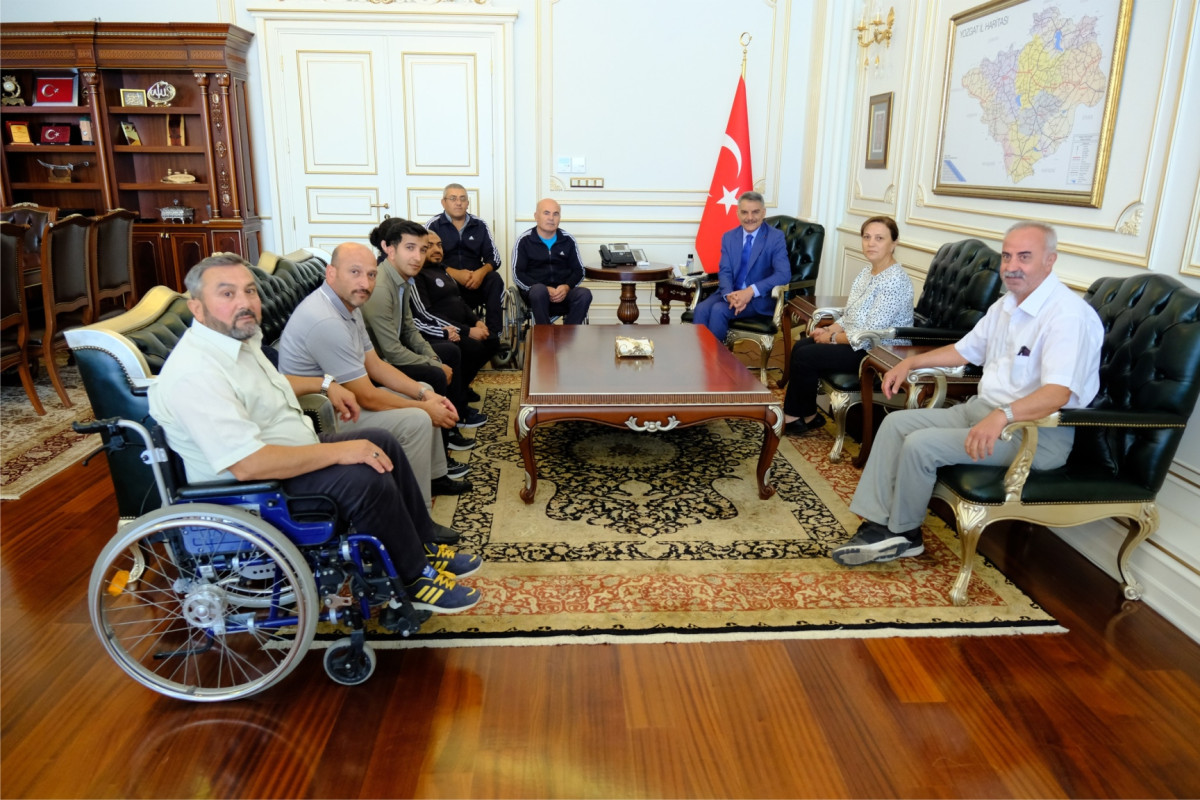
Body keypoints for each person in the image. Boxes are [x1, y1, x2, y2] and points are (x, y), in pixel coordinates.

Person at [147, 255, 482, 614]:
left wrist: (326, 384)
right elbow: (248, 465)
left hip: (287, 455)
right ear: (197, 307)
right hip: (257, 489)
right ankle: (410, 579)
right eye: (227, 294)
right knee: (365, 475)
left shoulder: (236, 342)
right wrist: (341, 452)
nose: (244, 302)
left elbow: (274, 384)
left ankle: (421, 546)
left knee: (382, 443)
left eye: (249, 291)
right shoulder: (196, 373)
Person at [834, 221, 1104, 566]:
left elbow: (1059, 393)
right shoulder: (1007, 304)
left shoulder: (1067, 316)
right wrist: (909, 365)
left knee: (921, 444)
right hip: (982, 410)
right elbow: (963, 350)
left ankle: (905, 535)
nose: (1011, 266)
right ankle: (876, 525)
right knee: (896, 425)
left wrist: (1002, 416)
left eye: (1024, 256)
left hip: (1033, 434)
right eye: (1007, 256)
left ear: (1050, 261)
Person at [277, 241, 472, 510]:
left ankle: (435, 477)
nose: (365, 283)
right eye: (355, 272)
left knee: (426, 385)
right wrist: (424, 407)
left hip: (344, 401)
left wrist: (425, 394)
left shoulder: (348, 306)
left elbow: (376, 365)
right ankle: (419, 513)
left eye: (371, 274)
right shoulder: (327, 321)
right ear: (331, 273)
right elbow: (367, 396)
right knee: (417, 419)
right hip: (322, 414)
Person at [782, 216, 913, 435]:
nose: (871, 243)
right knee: (802, 346)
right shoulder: (866, 272)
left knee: (807, 354)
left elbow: (870, 334)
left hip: (879, 351)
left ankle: (793, 416)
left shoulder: (895, 280)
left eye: (879, 238)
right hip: (858, 341)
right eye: (867, 237)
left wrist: (831, 339)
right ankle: (807, 415)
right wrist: (830, 329)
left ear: (894, 243)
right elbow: (851, 313)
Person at [363, 218, 483, 454]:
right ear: (389, 249)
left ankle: (453, 420)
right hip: (376, 366)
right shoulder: (380, 287)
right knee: (436, 373)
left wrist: (434, 358)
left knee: (448, 353)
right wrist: (434, 364)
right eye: (410, 248)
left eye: (422, 249)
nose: (418, 257)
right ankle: (442, 448)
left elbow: (409, 330)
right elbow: (391, 351)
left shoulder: (403, 280)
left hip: (391, 355)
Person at [411, 228, 499, 407]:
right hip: (441, 331)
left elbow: (459, 302)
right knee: (472, 347)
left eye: (440, 245)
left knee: (492, 341)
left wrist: (477, 321)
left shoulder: (443, 270)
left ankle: (462, 387)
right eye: (430, 246)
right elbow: (428, 314)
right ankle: (457, 399)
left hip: (462, 325)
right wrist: (467, 331)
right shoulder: (418, 275)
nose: (437, 249)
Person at [692, 191, 791, 342]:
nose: (750, 218)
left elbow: (783, 274)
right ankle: (697, 360)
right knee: (701, 309)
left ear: (763, 212)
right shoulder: (729, 237)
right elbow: (725, 272)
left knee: (719, 310)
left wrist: (750, 291)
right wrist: (729, 295)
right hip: (731, 293)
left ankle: (716, 363)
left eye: (755, 212)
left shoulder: (775, 237)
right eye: (744, 212)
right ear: (737, 213)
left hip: (758, 299)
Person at [425, 183, 505, 337]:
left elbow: (494, 258)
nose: (458, 202)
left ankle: (494, 336)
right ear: (444, 202)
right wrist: (454, 274)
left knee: (494, 279)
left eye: (462, 199)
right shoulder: (433, 225)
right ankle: (457, 334)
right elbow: (427, 259)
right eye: (453, 198)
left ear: (467, 203)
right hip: (447, 280)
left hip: (476, 280)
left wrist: (480, 273)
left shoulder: (479, 225)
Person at [511, 197, 592, 325]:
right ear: (536, 216)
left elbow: (579, 271)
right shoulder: (524, 241)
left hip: (562, 293)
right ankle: (546, 337)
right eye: (546, 213)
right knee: (539, 290)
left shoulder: (568, 240)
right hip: (536, 295)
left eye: (556, 214)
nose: (551, 218)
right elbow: (518, 275)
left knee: (584, 294)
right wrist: (545, 288)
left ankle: (567, 336)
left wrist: (566, 287)